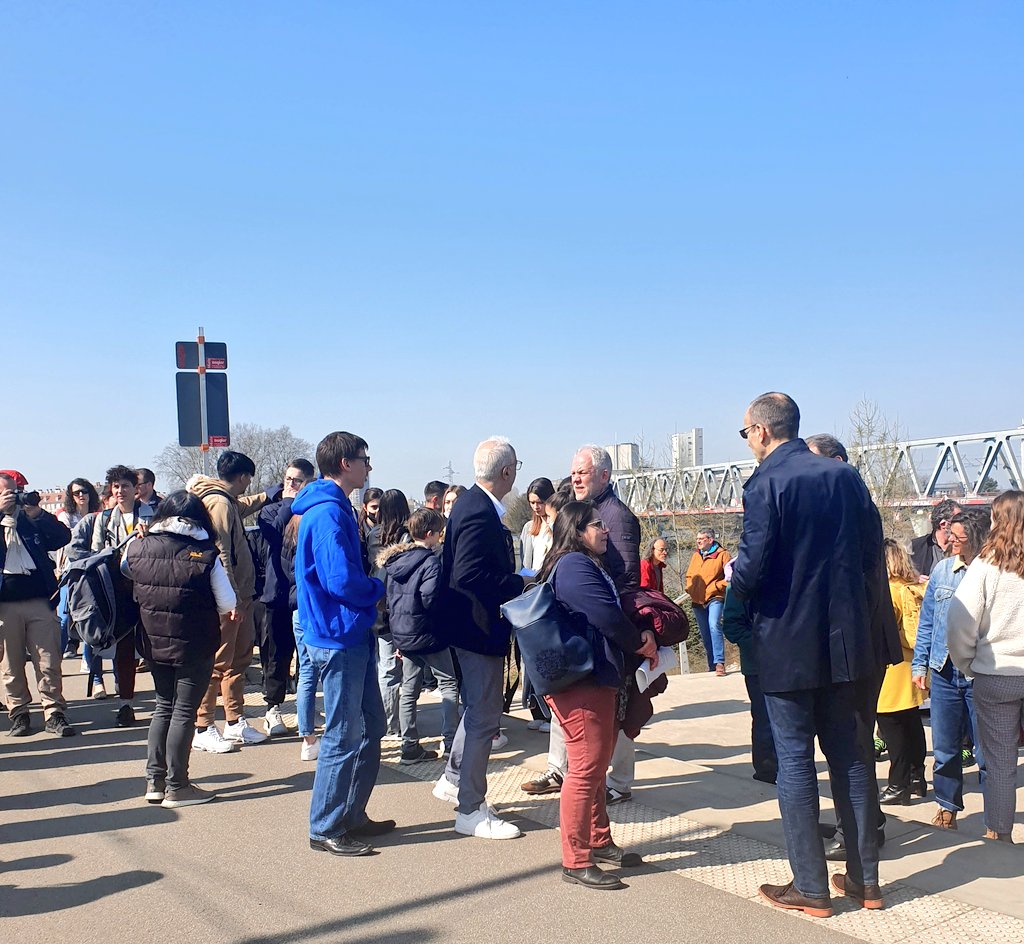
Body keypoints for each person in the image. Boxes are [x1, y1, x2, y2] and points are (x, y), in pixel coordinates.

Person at [731, 392, 884, 917]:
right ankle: (867, 883)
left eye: (746, 433)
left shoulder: (765, 483)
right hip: (846, 639)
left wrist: (741, 600)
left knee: (795, 762)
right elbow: (870, 553)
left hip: (786, 642)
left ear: (761, 431)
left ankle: (811, 888)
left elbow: (750, 569)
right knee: (852, 760)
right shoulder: (844, 476)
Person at [536, 500, 657, 890]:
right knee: (586, 768)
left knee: (594, 763)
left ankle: (599, 842)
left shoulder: (583, 563)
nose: (605, 530)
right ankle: (576, 859)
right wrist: (641, 643)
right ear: (578, 530)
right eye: (597, 524)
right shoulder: (573, 565)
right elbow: (605, 616)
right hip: (580, 682)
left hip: (589, 679)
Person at [293, 431, 392, 857]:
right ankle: (327, 825)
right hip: (339, 634)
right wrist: (376, 587)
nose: (369, 466)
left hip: (342, 632)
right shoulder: (329, 513)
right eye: (364, 459)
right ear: (345, 464)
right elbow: (339, 580)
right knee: (343, 732)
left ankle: (350, 813)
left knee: (372, 725)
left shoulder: (329, 507)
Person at [432, 437, 526, 840]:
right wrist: (517, 582)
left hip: (470, 627)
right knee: (486, 715)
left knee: (477, 711)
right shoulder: (478, 512)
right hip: (477, 628)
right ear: (507, 472)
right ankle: (470, 808)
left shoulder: (472, 504)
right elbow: (467, 574)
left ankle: (454, 778)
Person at [124, 491, 237, 808]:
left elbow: (124, 570)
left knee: (163, 707)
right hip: (195, 642)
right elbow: (228, 603)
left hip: (152, 640)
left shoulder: (138, 547)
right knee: (184, 712)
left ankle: (154, 781)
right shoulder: (205, 553)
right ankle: (178, 786)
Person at [948, 491, 1024, 843]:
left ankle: (1000, 831)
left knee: (1001, 763)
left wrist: (967, 663)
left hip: (996, 673)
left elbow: (961, 622)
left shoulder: (986, 565)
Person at [570, 444, 642, 806]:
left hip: (611, 628)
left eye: (582, 472)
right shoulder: (583, 512)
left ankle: (620, 780)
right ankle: (570, 771)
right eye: (573, 472)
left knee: (622, 705)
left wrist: (623, 631)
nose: (575, 477)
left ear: (604, 475)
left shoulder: (617, 517)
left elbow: (628, 579)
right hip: (588, 627)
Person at [912, 508, 991, 830]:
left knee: (988, 754)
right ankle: (946, 808)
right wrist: (920, 664)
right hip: (944, 671)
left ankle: (995, 818)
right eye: (950, 535)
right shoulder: (943, 571)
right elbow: (927, 622)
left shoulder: (994, 573)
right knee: (944, 748)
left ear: (977, 538)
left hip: (982, 673)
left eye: (958, 537)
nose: (951, 541)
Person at [188, 450, 270, 751]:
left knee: (239, 660)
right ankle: (203, 724)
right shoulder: (219, 502)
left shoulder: (225, 500)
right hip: (230, 598)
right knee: (218, 661)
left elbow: (243, 505)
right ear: (242, 476)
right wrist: (232, 596)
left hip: (241, 595)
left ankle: (235, 721)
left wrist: (268, 495)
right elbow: (222, 551)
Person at [380, 507, 460, 764]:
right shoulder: (430, 562)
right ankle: (450, 743)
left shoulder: (395, 563)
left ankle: (409, 745)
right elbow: (429, 599)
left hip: (403, 633)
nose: (440, 537)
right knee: (448, 683)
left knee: (409, 688)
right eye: (439, 533)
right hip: (428, 633)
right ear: (429, 534)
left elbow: (390, 600)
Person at [0, 470, 75, 737]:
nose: (12, 497)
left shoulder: (30, 520)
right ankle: (19, 713)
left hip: (40, 600)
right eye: (6, 492)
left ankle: (54, 712)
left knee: (48, 660)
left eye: (15, 491)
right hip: (5, 604)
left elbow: (62, 538)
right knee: (11, 663)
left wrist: (38, 515)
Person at [258, 458, 314, 737]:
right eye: (288, 479)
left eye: (298, 480)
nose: (291, 484)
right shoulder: (270, 510)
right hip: (277, 592)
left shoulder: (313, 511)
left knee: (307, 656)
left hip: (304, 593)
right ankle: (273, 708)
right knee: (276, 654)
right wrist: (289, 503)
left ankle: (306, 711)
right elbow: (274, 532)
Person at [90, 464, 146, 727]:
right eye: (116, 487)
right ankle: (126, 704)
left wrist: (149, 538)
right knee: (124, 650)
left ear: (136, 489)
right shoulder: (103, 519)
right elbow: (95, 556)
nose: (120, 491)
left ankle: (167, 702)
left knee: (155, 648)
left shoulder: (152, 515)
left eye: (125, 486)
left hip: (148, 591)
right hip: (118, 592)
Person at [876, 540, 927, 805]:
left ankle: (898, 784)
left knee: (891, 731)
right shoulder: (914, 588)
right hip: (912, 665)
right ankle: (919, 777)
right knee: (912, 724)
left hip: (889, 669)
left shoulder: (887, 592)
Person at [366, 489, 413, 740]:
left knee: (380, 667)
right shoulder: (406, 537)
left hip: (375, 604)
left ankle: (383, 720)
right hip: (396, 607)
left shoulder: (373, 534)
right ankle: (391, 723)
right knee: (392, 669)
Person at [721, 586, 778, 784]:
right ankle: (766, 771)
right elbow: (732, 625)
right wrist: (759, 646)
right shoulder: (741, 581)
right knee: (764, 720)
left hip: (793, 662)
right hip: (758, 666)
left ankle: (789, 770)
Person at [519, 477, 556, 730]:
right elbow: (524, 560)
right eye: (532, 502)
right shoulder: (527, 529)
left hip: (550, 590)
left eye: (540, 502)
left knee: (547, 653)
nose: (536, 507)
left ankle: (549, 713)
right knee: (529, 655)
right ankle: (536, 710)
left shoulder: (558, 526)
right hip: (531, 590)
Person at [56, 478, 101, 658]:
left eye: (84, 491)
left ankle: (87, 660)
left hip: (92, 570)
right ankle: (56, 657)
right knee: (64, 616)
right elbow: (68, 543)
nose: (81, 495)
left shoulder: (99, 514)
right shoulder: (66, 516)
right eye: (76, 493)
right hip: (70, 571)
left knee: (90, 613)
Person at [685, 529, 730, 675]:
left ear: (710, 540)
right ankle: (711, 664)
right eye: (697, 538)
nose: (698, 541)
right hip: (697, 599)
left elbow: (730, 576)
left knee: (714, 625)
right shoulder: (696, 556)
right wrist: (690, 588)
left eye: (701, 539)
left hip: (715, 597)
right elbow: (690, 575)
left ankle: (719, 663)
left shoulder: (722, 555)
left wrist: (717, 587)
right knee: (705, 633)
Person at [910, 498, 962, 578]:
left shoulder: (965, 547)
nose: (963, 524)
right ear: (943, 524)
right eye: (958, 520)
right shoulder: (914, 548)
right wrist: (915, 579)